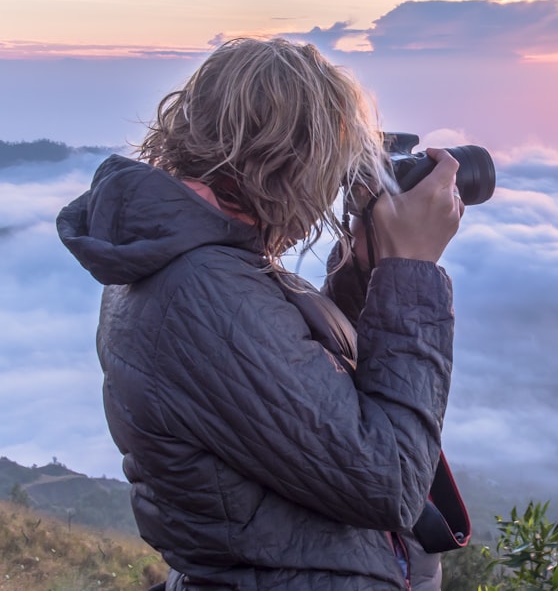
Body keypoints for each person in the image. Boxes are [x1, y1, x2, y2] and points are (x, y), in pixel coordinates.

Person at [57, 37, 464, 590]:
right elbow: (389, 481)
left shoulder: (205, 261)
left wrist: (364, 273)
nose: (333, 187)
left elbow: (306, 390)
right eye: (334, 162)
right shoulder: (199, 290)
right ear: (290, 158)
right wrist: (412, 273)